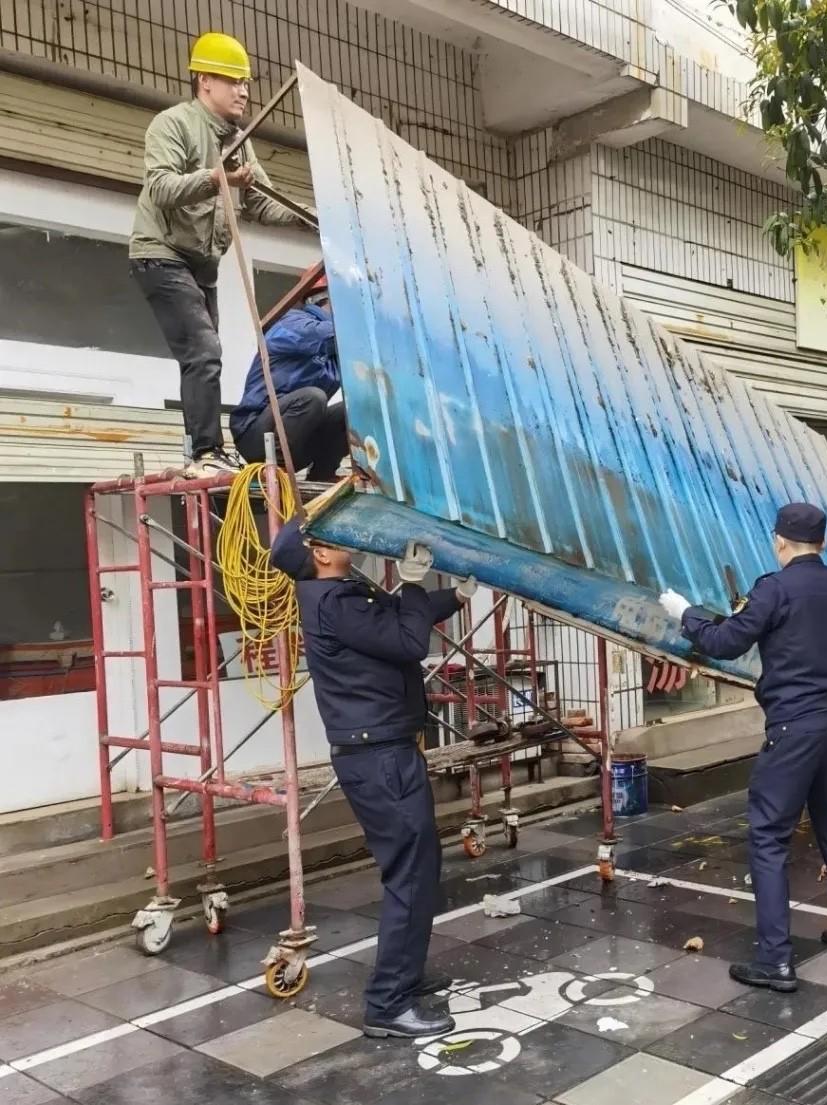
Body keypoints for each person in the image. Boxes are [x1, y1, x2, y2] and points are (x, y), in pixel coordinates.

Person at [660, 503, 827, 994]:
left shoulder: (774, 588)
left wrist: (686, 613)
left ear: (778, 541)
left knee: (768, 836)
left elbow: (726, 642)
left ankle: (775, 960)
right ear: (824, 543)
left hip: (794, 727)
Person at [271, 521, 477, 1037]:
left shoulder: (340, 594)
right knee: (410, 874)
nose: (347, 537)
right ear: (319, 554)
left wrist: (453, 595)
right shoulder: (336, 603)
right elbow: (409, 640)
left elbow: (396, 618)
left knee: (418, 869)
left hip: (383, 752)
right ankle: (388, 1004)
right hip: (380, 759)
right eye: (332, 535)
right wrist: (412, 583)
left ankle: (405, 978)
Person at [129, 32, 304, 478]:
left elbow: (263, 203)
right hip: (162, 255)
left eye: (246, 83)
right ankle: (206, 452)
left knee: (204, 357)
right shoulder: (173, 125)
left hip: (201, 267)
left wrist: (313, 215)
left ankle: (203, 449)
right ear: (204, 81)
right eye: (233, 81)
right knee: (205, 351)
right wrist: (217, 177)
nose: (244, 92)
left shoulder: (238, 140)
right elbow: (160, 188)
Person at [231, 269, 347, 481]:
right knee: (313, 397)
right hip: (257, 437)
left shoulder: (336, 351)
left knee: (349, 411)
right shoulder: (291, 323)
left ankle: (323, 473)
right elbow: (325, 336)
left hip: (299, 443)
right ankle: (275, 472)